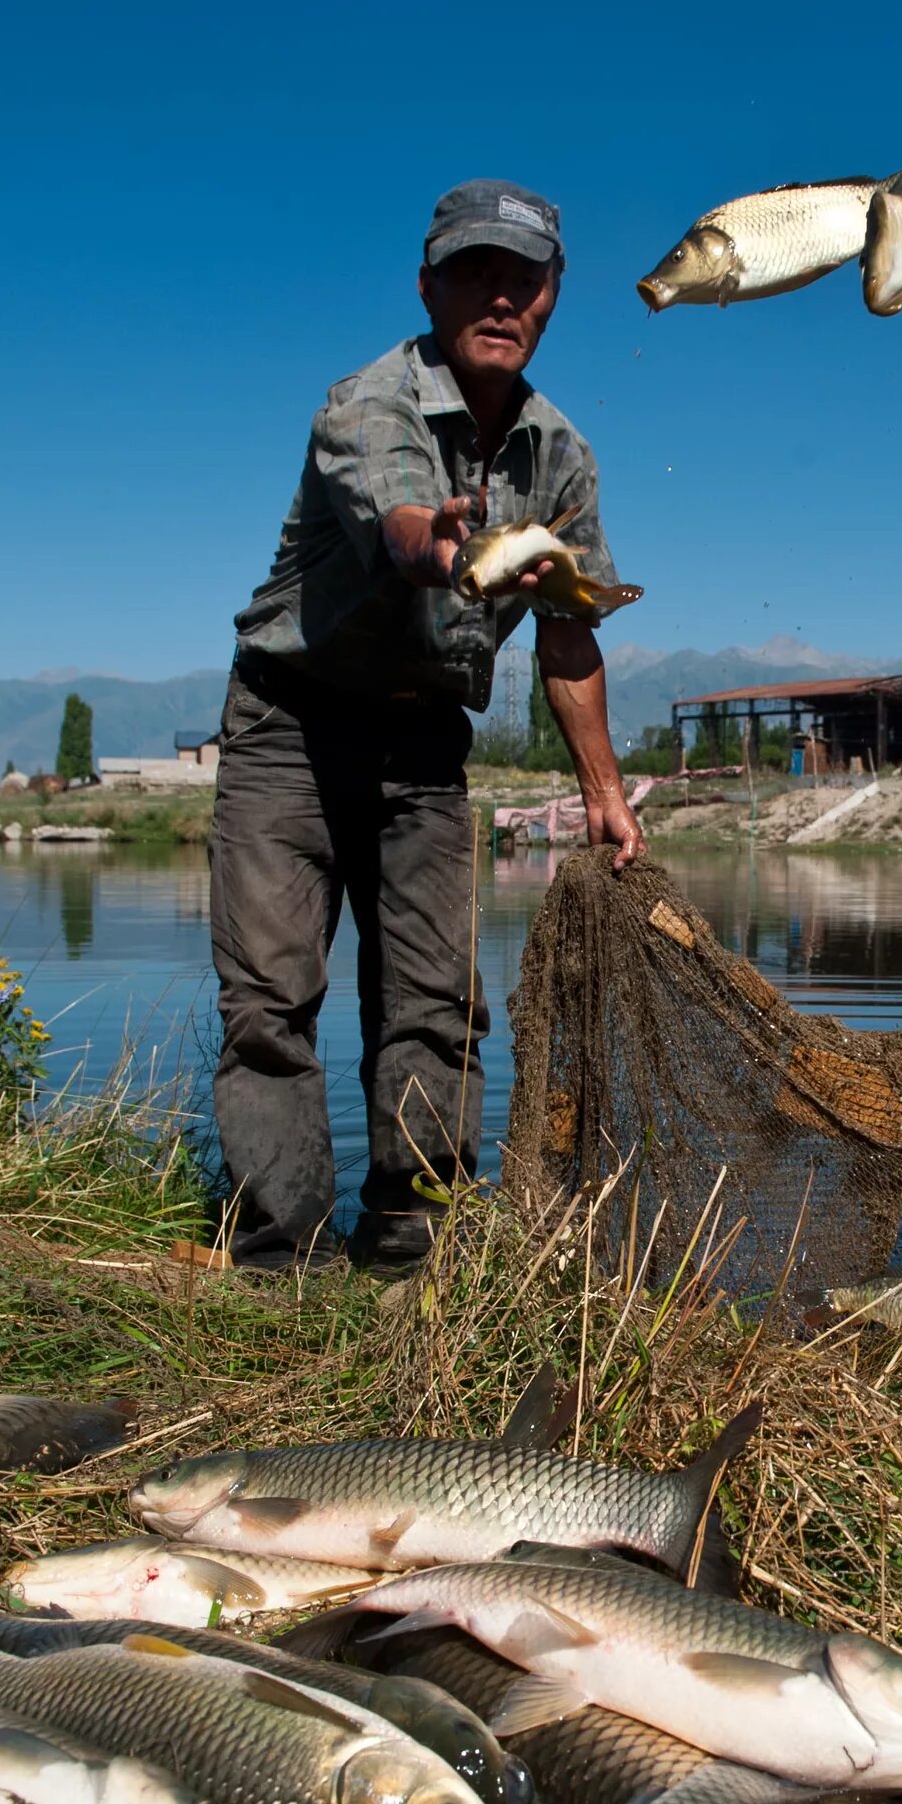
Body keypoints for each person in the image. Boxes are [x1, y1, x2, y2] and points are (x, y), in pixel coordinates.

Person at [213, 179, 642, 1275]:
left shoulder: (561, 460)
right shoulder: (368, 401)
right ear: (427, 285)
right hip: (289, 730)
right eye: (472, 273)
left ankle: (411, 1241)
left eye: (525, 278)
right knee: (271, 1001)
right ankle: (280, 1256)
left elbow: (568, 635)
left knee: (438, 1002)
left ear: (553, 295)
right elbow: (405, 520)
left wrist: (601, 789)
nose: (500, 297)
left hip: (423, 745)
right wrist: (450, 545)